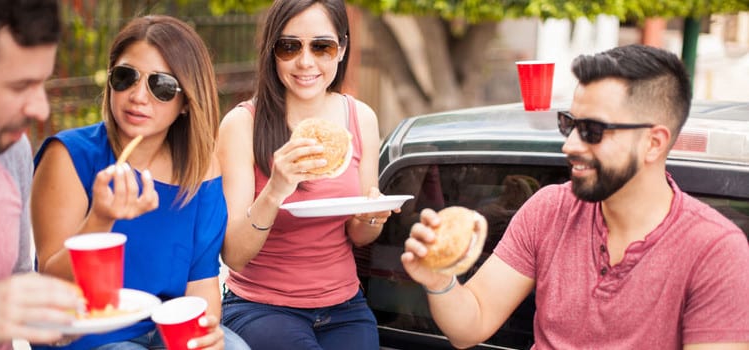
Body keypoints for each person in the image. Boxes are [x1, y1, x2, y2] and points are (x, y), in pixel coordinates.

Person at [402, 44, 749, 349]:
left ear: (653, 143)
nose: (570, 145)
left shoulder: (717, 251)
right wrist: (440, 280)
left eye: (592, 131)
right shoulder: (549, 209)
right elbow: (471, 324)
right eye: (569, 124)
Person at [30, 15, 248, 350]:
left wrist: (206, 336)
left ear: (188, 101)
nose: (138, 96)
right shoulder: (69, 155)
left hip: (165, 329)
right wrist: (101, 218)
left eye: (161, 86)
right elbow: (51, 277)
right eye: (125, 77)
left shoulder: (202, 171)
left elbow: (202, 284)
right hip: (84, 332)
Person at [217, 0, 392, 348]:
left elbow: (359, 236)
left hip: (345, 305)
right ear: (272, 51)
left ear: (341, 49)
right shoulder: (242, 124)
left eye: (322, 46)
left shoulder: (362, 119)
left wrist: (373, 218)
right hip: (260, 306)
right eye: (289, 46)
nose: (306, 61)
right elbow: (233, 254)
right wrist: (275, 189)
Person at [0, 0, 84, 347]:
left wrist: (53, 314)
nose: (41, 109)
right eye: (19, 86)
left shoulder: (13, 150)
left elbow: (18, 279)